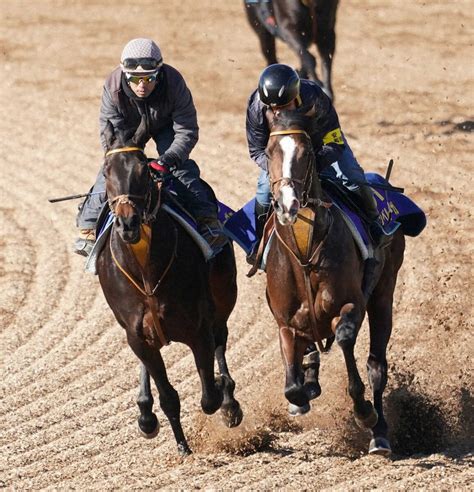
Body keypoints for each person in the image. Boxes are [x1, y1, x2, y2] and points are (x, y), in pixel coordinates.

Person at [74, 38, 227, 257]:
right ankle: (87, 228)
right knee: (114, 173)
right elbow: (109, 136)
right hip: (126, 129)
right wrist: (125, 161)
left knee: (183, 172)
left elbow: (187, 131)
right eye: (135, 78)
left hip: (166, 126)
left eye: (148, 77)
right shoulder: (112, 86)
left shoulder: (174, 83)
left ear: (160, 72)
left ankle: (208, 221)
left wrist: (168, 160)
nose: (142, 85)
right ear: (125, 74)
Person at [245, 63, 385, 262]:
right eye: (274, 109)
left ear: (296, 97)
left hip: (322, 146)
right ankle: (259, 241)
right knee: (263, 191)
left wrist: (309, 167)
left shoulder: (315, 98)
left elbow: (334, 141)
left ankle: (373, 224)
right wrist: (282, 169)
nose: (279, 113)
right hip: (282, 156)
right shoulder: (256, 107)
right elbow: (257, 150)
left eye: (284, 107)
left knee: (352, 177)